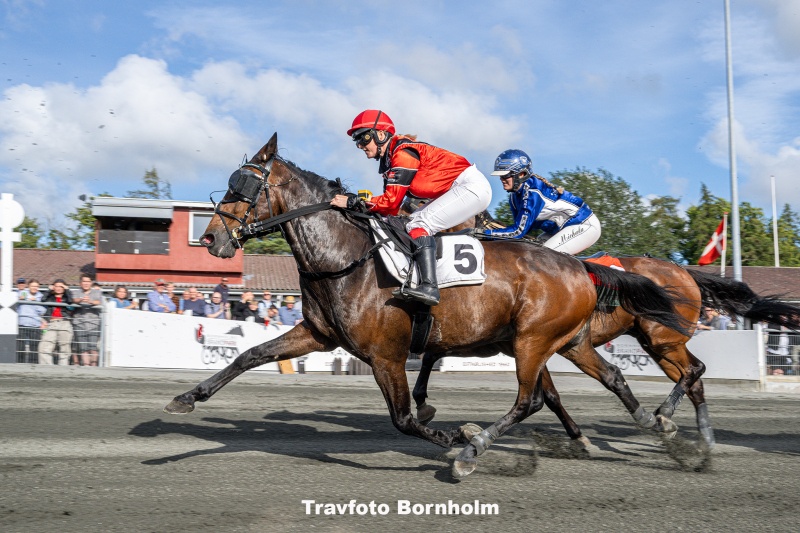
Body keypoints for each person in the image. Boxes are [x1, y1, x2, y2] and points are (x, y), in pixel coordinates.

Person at [331, 109, 492, 306]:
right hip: (458, 189)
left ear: (380, 134)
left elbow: (390, 202)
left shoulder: (403, 154)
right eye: (356, 141)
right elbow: (389, 211)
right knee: (406, 222)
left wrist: (353, 201)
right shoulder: (390, 161)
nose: (359, 145)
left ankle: (430, 287)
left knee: (419, 223)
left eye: (363, 138)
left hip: (471, 187)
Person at [475, 149, 601, 254]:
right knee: (528, 253)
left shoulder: (533, 193)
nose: (501, 179)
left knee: (542, 257)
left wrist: (480, 233)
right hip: (558, 230)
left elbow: (517, 232)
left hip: (583, 225)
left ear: (521, 174)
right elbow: (519, 229)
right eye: (500, 176)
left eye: (505, 175)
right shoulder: (514, 197)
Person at [39, 279, 75, 365]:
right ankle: (47, 368)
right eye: (56, 286)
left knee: (65, 347)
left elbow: (70, 301)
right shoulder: (50, 298)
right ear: (53, 287)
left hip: (64, 322)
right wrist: (49, 290)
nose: (58, 288)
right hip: (52, 323)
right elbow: (43, 300)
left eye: (61, 286)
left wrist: (67, 290)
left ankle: (63, 368)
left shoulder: (66, 297)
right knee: (44, 347)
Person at [72, 274, 103, 366]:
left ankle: (93, 368)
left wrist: (91, 302)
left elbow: (100, 302)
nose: (86, 283)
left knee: (93, 348)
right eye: (84, 281)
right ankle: (86, 367)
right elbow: (74, 299)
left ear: (91, 283)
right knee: (83, 348)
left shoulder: (97, 292)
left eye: (88, 281)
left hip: (93, 323)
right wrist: (81, 300)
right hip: (79, 323)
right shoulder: (75, 292)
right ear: (80, 283)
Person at [17, 279, 46, 363]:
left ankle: (33, 366)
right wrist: (19, 300)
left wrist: (35, 302)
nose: (35, 288)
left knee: (34, 347)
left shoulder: (41, 296)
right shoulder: (21, 293)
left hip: (35, 325)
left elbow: (43, 311)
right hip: (22, 323)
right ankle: (19, 365)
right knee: (20, 347)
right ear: (29, 286)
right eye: (33, 286)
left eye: (36, 286)